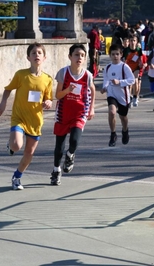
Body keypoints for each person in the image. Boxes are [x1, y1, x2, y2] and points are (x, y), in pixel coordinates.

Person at [0, 42, 53, 190]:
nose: (36, 55)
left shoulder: (48, 79)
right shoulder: (21, 75)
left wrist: (48, 102)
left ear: (44, 58)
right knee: (16, 145)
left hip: (35, 120)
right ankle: (11, 144)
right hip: (19, 117)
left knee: (29, 153)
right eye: (33, 53)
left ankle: (17, 177)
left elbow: (48, 98)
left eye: (39, 53)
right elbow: (8, 89)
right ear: (28, 57)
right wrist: (3, 103)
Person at [50, 44, 96, 185]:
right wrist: (68, 90)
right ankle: (56, 171)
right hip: (63, 113)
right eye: (76, 55)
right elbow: (58, 95)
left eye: (82, 55)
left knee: (75, 141)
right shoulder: (63, 73)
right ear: (70, 57)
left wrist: (92, 108)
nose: (79, 58)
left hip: (79, 113)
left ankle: (70, 155)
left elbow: (92, 90)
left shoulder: (87, 75)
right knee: (59, 146)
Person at [100, 44, 135, 147]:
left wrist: (119, 82)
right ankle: (113, 134)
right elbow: (106, 79)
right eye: (113, 54)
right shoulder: (107, 67)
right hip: (112, 94)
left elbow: (132, 80)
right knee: (112, 112)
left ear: (121, 55)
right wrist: (105, 87)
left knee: (123, 117)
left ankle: (125, 131)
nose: (115, 56)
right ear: (110, 55)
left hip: (123, 95)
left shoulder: (124, 67)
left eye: (117, 54)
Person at [123, 34, 144, 107]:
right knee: (129, 84)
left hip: (136, 68)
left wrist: (141, 63)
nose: (132, 42)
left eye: (134, 41)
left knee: (135, 81)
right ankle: (129, 97)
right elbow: (123, 59)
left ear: (136, 42)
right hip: (128, 68)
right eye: (131, 41)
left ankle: (135, 97)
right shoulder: (126, 50)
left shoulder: (139, 50)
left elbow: (141, 59)